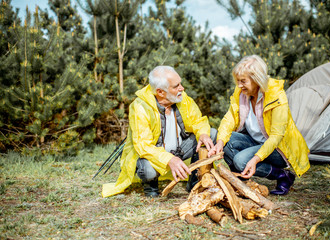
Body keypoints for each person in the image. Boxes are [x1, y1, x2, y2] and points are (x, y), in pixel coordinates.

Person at [102, 66, 216, 198]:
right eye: (176, 86)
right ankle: (151, 185)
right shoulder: (140, 107)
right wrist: (169, 159)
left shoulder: (182, 98)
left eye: (180, 83)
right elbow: (143, 146)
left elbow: (198, 121)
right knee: (148, 170)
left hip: (180, 150)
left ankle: (195, 181)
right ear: (160, 92)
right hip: (154, 154)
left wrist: (202, 133)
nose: (182, 88)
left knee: (211, 134)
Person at [209, 55, 310, 195]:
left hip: (279, 148)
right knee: (225, 140)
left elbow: (276, 137)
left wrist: (255, 159)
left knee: (240, 161)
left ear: (257, 79)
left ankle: (282, 175)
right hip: (255, 142)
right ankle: (239, 179)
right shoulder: (241, 93)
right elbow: (229, 118)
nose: (239, 85)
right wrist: (220, 142)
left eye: (243, 81)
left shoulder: (276, 96)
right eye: (237, 81)